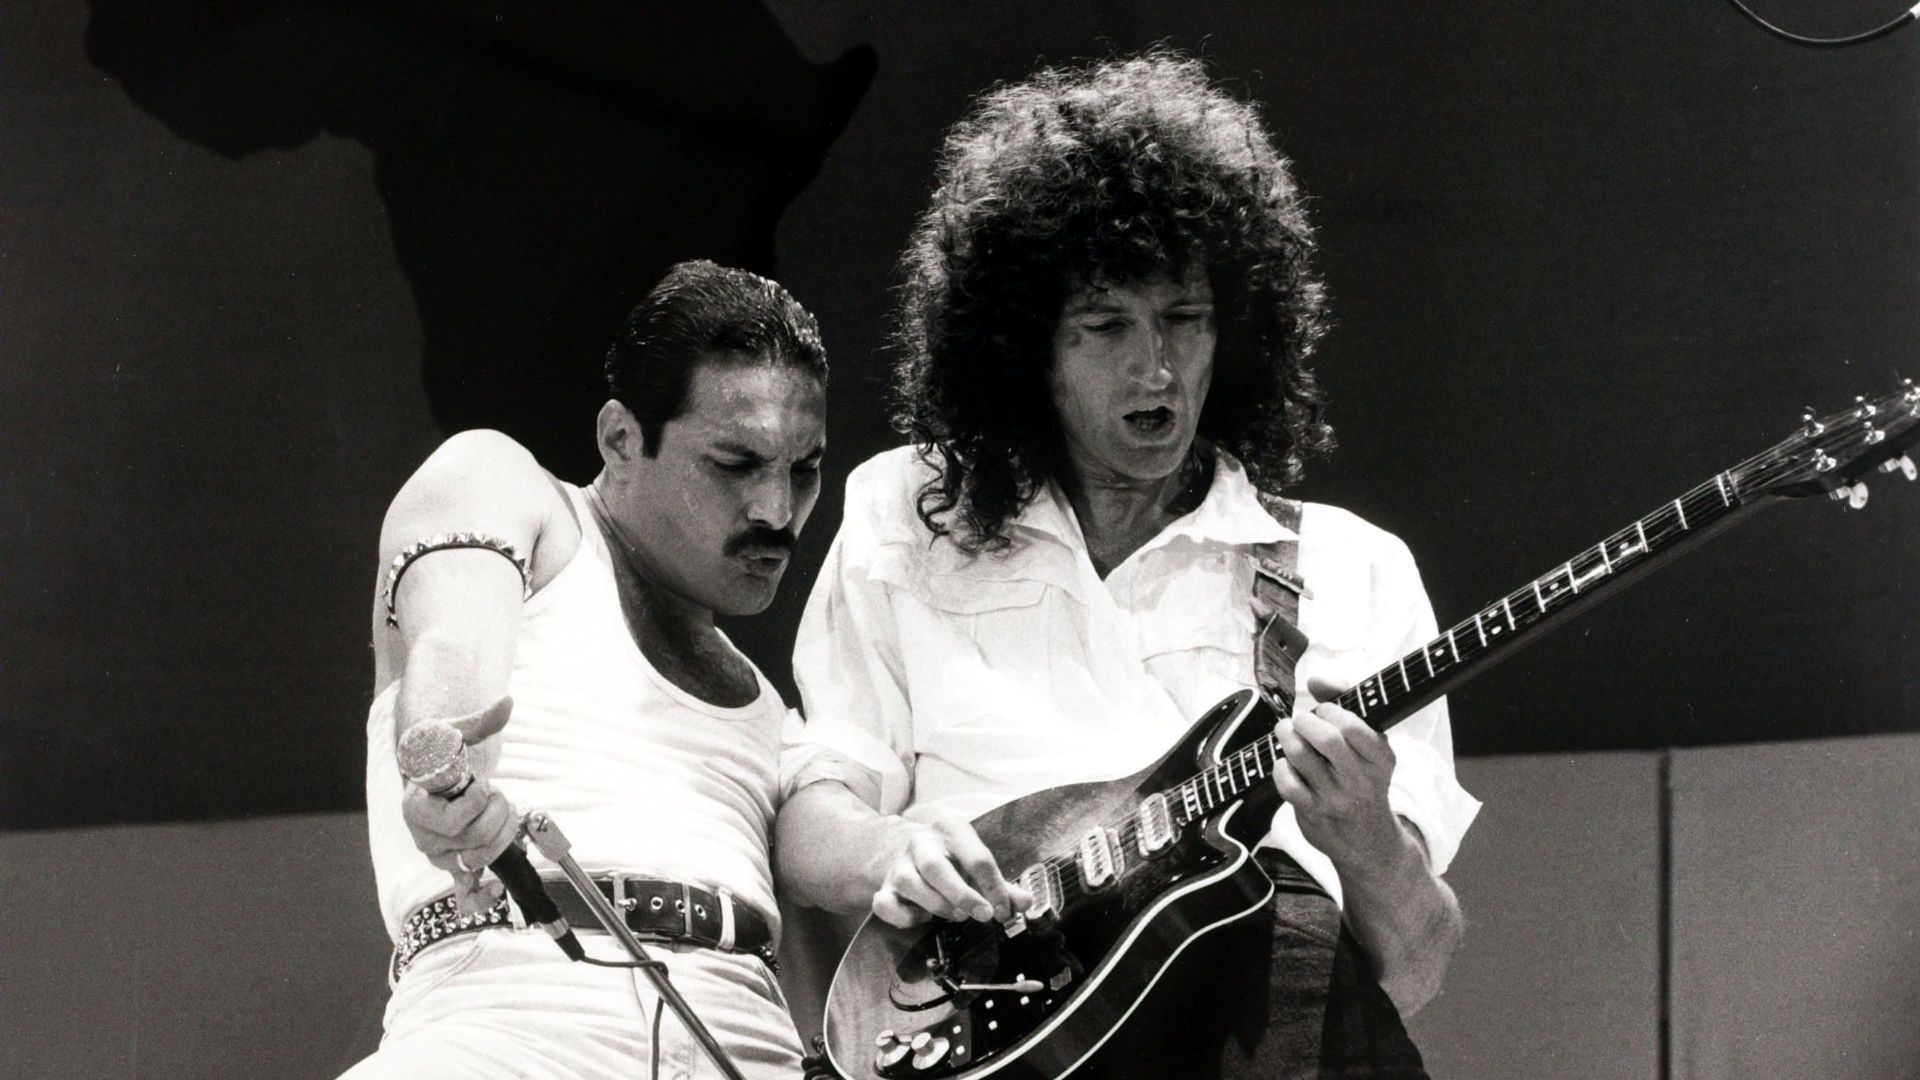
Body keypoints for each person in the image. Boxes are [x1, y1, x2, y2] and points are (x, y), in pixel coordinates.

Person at [775, 54, 1481, 1077]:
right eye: (1107, 325)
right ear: (1026, 346)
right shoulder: (904, 515)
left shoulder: (1354, 568)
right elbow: (810, 824)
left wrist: (1365, 832)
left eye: (1184, 320)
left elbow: (1417, 967)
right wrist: (894, 855)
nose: (1155, 368)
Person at [341, 260, 827, 1079]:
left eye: (803, 468)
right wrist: (444, 765)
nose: (777, 511)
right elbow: (454, 645)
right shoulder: (508, 487)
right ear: (620, 439)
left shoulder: (772, 712)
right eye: (736, 464)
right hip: (503, 1035)